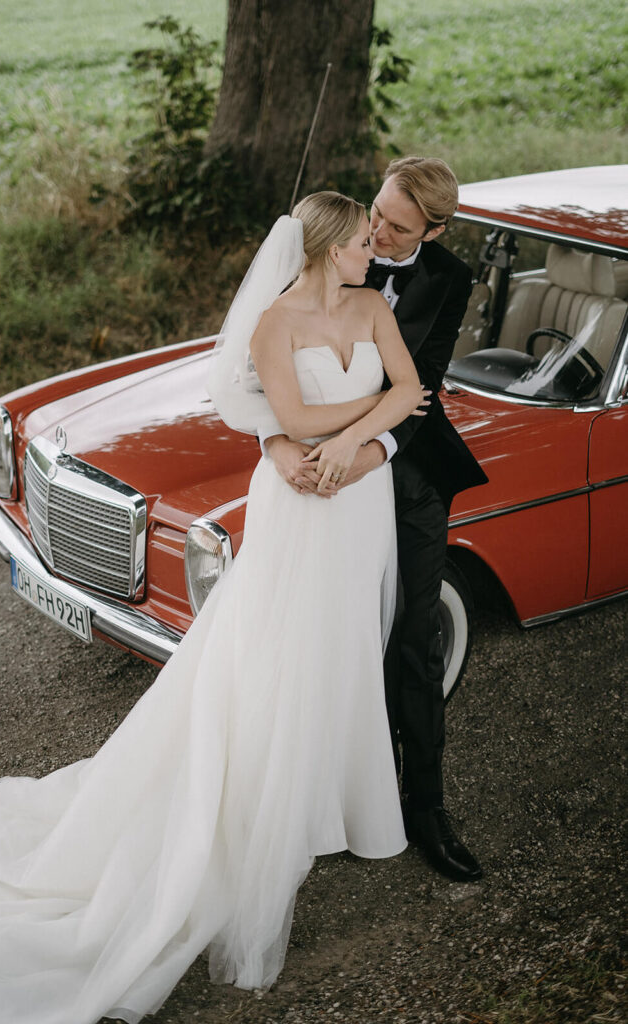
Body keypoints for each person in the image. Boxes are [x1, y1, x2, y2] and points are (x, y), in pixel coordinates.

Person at [0, 192, 426, 1024]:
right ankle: (267, 801)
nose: (371, 252)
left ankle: (342, 802)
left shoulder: (371, 305)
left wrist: (348, 443)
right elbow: (302, 416)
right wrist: (354, 424)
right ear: (319, 248)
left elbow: (412, 386)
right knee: (280, 650)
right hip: (301, 503)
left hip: (358, 498)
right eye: (356, 243)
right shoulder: (275, 324)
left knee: (348, 642)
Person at [263, 158, 489, 884]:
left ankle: (424, 809)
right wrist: (275, 443)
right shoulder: (326, 244)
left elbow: (418, 393)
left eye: (397, 227)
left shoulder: (448, 279)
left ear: (435, 229)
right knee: (316, 639)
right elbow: (265, 375)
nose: (379, 231)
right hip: (320, 475)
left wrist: (365, 454)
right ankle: (313, 799)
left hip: (409, 474)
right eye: (376, 214)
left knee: (413, 640)